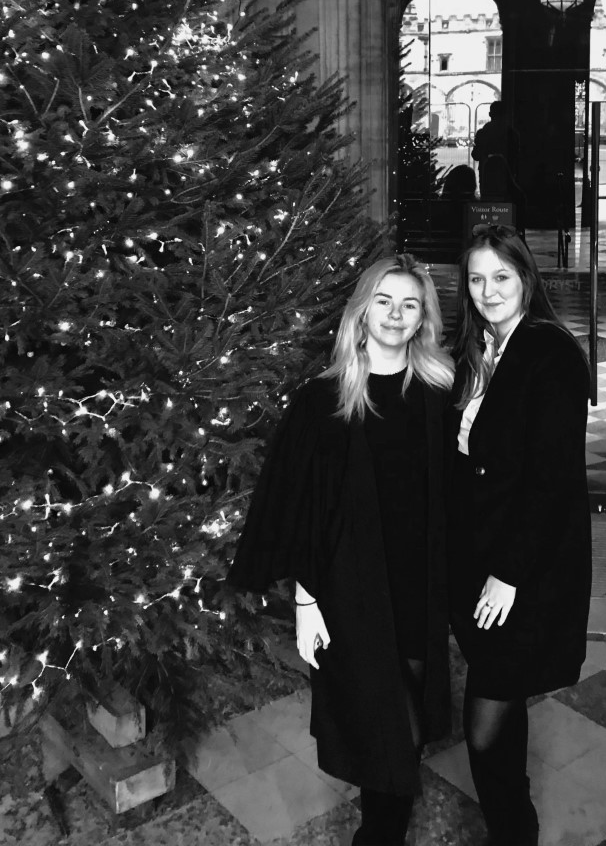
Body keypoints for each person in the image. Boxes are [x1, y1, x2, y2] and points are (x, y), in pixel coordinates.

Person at [227, 254, 455, 845]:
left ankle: (378, 833)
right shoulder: (323, 403)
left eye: (410, 304)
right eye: (384, 300)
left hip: (419, 593)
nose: (395, 314)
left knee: (404, 733)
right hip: (352, 597)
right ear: (362, 311)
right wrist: (307, 603)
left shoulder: (439, 393)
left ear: (423, 317)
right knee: (390, 735)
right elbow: (300, 512)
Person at [447, 224, 592, 846]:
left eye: (501, 277)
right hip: (474, 560)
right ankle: (513, 828)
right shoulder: (480, 349)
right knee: (502, 713)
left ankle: (515, 832)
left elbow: (550, 481)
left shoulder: (549, 352)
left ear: (526, 278)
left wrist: (507, 574)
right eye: (477, 279)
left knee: (482, 726)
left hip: (519, 573)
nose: (488, 290)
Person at [471, 101, 520, 199]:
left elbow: (475, 155)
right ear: (506, 114)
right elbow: (516, 157)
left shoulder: (483, 132)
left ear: (490, 114)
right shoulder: (511, 134)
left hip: (486, 177)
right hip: (507, 177)